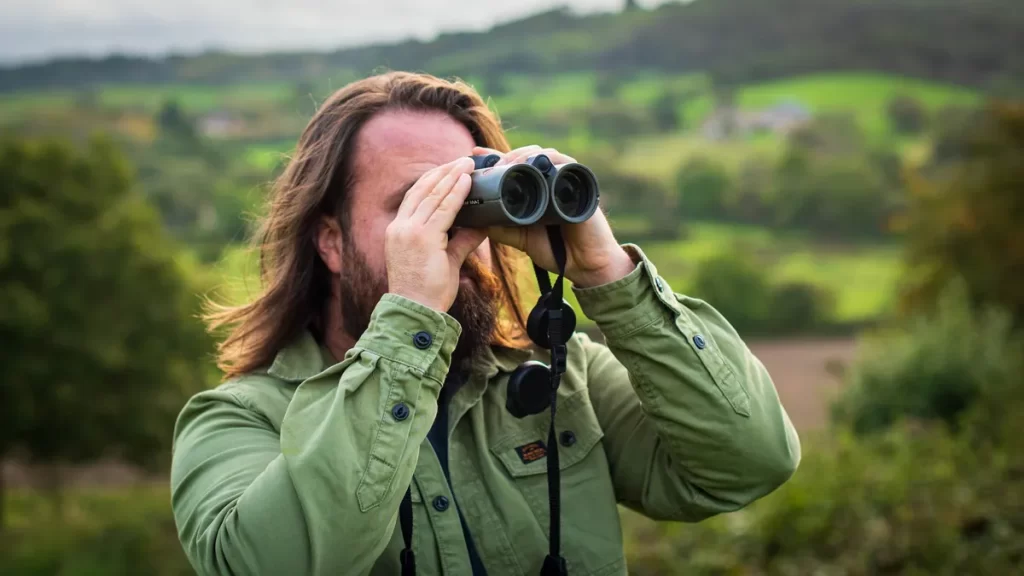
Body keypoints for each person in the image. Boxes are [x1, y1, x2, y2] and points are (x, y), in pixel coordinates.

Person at [170, 71, 801, 576]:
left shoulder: (562, 378)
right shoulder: (241, 422)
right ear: (331, 243)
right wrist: (411, 319)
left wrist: (607, 271)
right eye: (419, 204)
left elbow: (751, 463)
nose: (456, 231)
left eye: (471, 196)